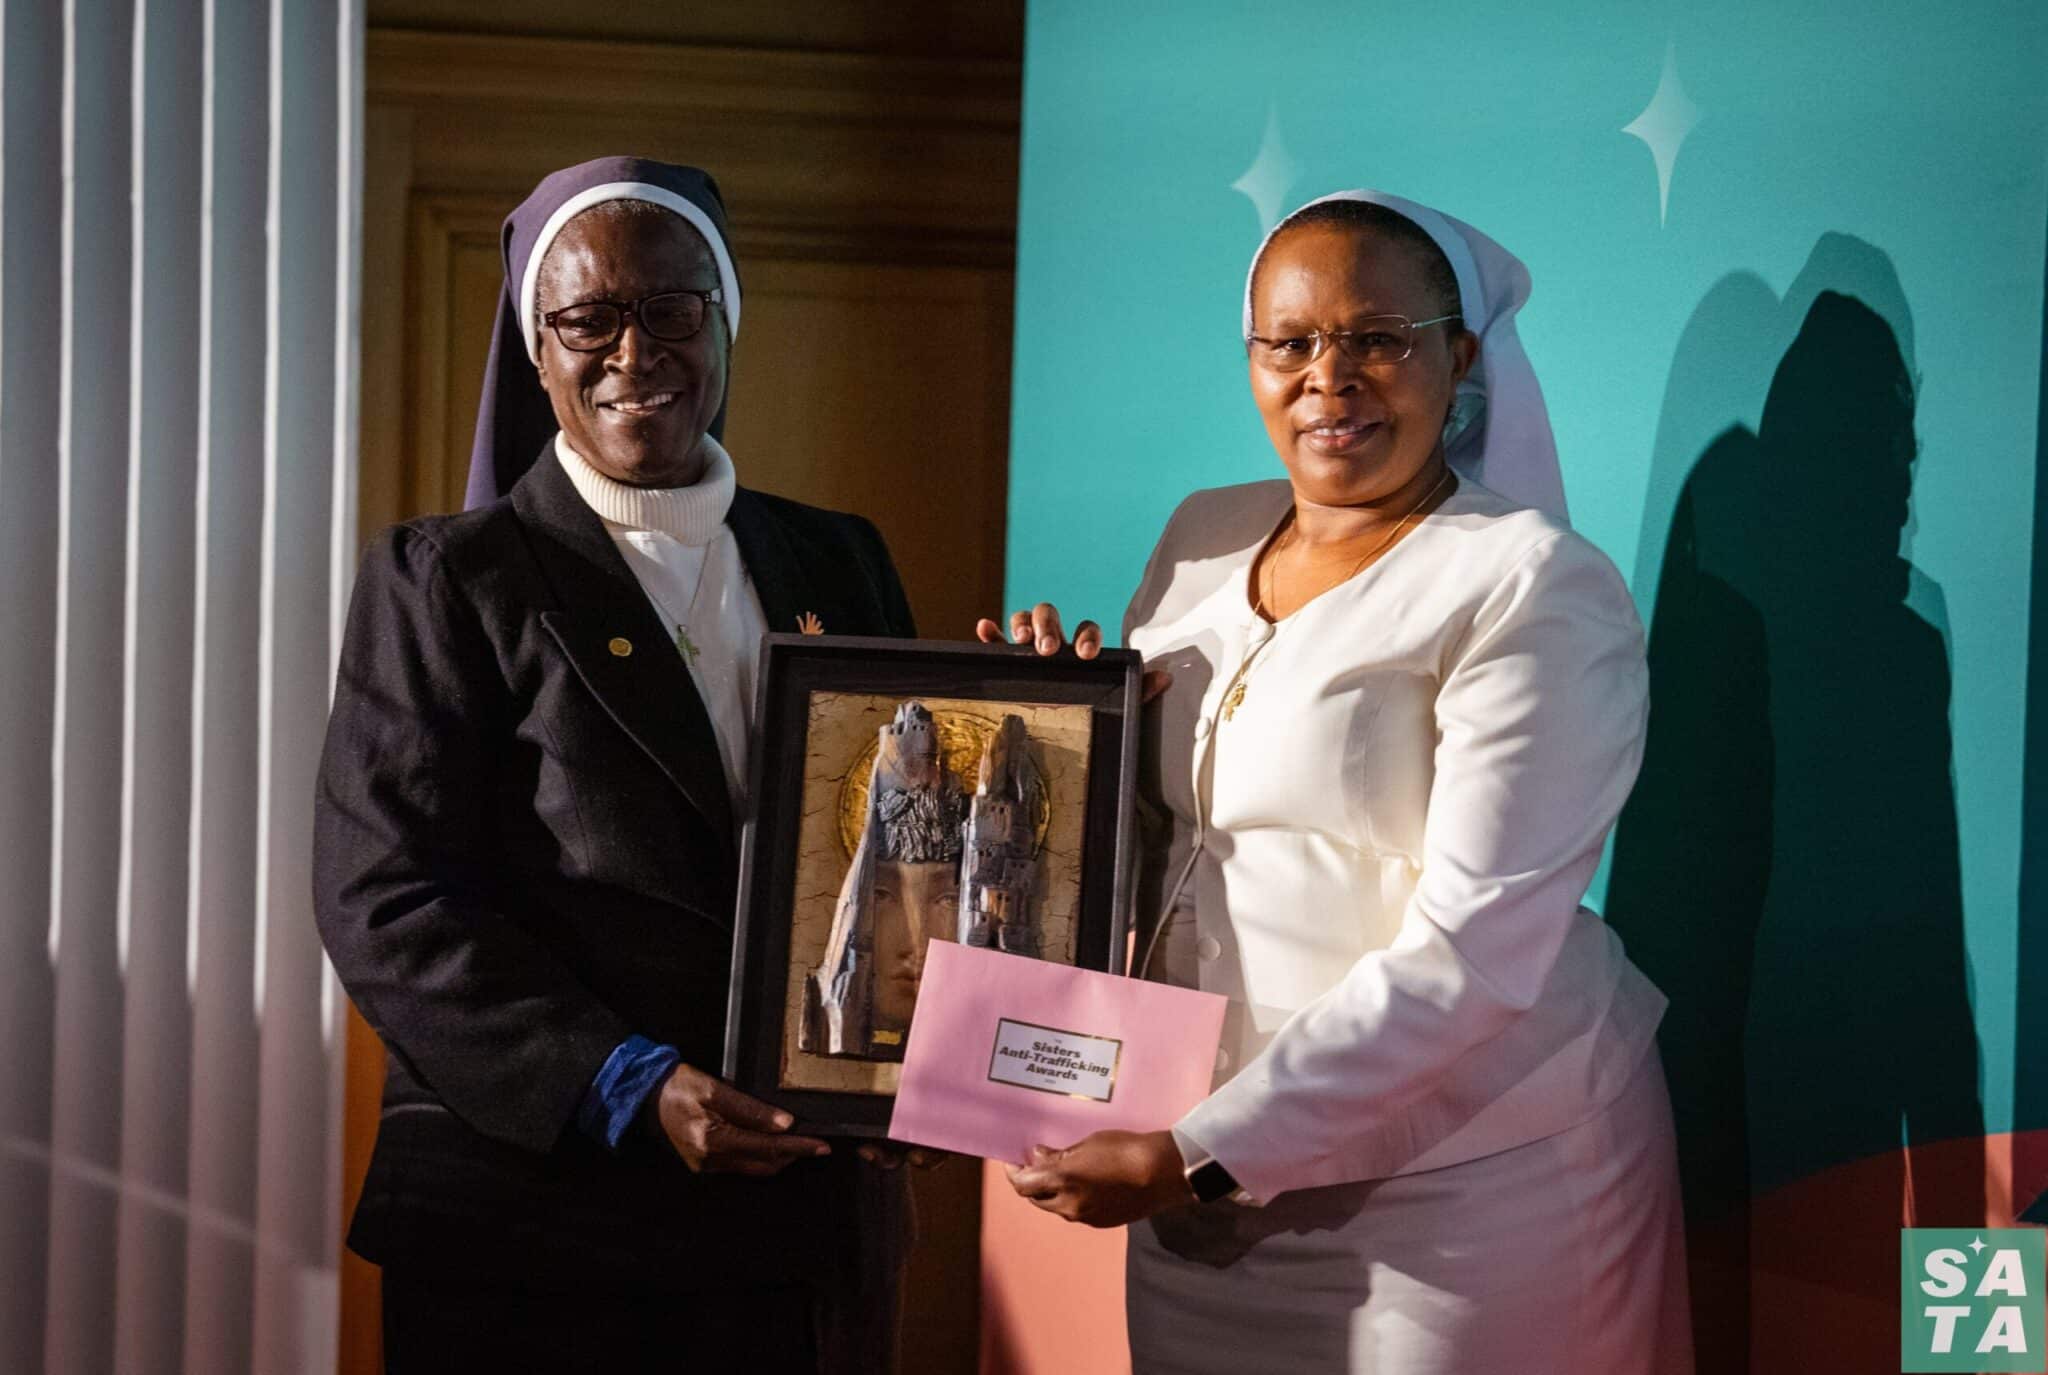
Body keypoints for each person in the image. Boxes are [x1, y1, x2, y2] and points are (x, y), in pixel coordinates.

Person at [982, 191, 1691, 1372]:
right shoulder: (1203, 535)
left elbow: (1471, 951)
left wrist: (1200, 1149)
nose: (1329, 376)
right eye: (1290, 342)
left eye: (1377, 338)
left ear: (1457, 356)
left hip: (1465, 1192)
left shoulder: (1531, 583)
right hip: (1190, 1183)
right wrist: (1043, 731)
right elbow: (1162, 841)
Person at [315, 157, 920, 1373]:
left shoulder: (836, 559)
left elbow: (905, 846)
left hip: (796, 1221)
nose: (630, 351)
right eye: (586, 318)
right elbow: (384, 897)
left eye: (669, 308)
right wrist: (627, 1083)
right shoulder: (449, 578)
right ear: (537, 351)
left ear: (724, 322)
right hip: (542, 1224)